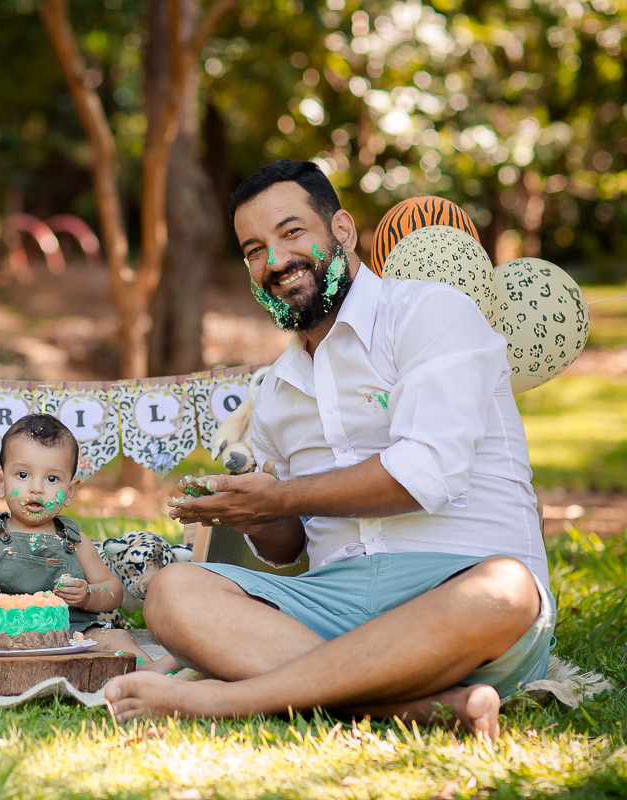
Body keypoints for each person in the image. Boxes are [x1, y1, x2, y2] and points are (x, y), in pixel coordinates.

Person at [105, 160, 554, 738]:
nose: (275, 261)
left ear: (341, 230)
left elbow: (424, 473)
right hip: (330, 605)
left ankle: (226, 701)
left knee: (507, 591)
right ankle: (415, 708)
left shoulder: (430, 313)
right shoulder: (278, 387)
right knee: (173, 592)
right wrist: (251, 512)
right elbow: (288, 542)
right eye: (254, 249)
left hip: (456, 591)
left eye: (293, 233)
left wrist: (279, 497)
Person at [0, 414, 161, 668]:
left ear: (70, 491)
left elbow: (114, 591)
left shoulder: (74, 541)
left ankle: (154, 670)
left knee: (118, 639)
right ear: (1, 481)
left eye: (52, 479)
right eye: (22, 474)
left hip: (70, 631)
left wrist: (88, 595)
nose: (36, 488)